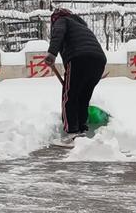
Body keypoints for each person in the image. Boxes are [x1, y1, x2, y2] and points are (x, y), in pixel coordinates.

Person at [44, 8, 107, 144]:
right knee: (83, 97)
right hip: (99, 61)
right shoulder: (81, 26)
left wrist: (52, 53)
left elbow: (58, 34)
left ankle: (72, 132)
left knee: (70, 96)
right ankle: (81, 129)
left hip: (78, 58)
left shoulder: (61, 20)